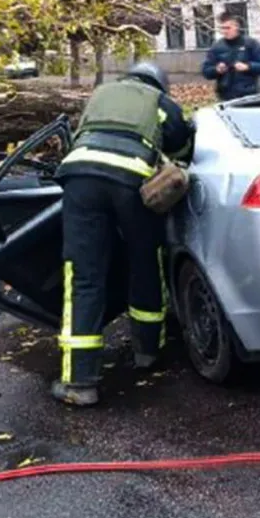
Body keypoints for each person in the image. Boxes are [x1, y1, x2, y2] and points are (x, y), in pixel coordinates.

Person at [50, 61, 195, 407]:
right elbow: (181, 148)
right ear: (159, 84)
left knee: (84, 278)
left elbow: (82, 134)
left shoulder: (101, 93)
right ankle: (147, 352)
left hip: (79, 179)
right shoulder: (160, 102)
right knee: (145, 263)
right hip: (132, 182)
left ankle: (79, 382)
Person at [201, 12, 260, 101]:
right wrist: (217, 69)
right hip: (225, 96)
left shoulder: (251, 44)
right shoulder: (217, 46)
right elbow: (205, 71)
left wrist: (248, 67)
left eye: (228, 28)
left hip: (248, 95)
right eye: (222, 28)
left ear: (236, 27)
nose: (225, 31)